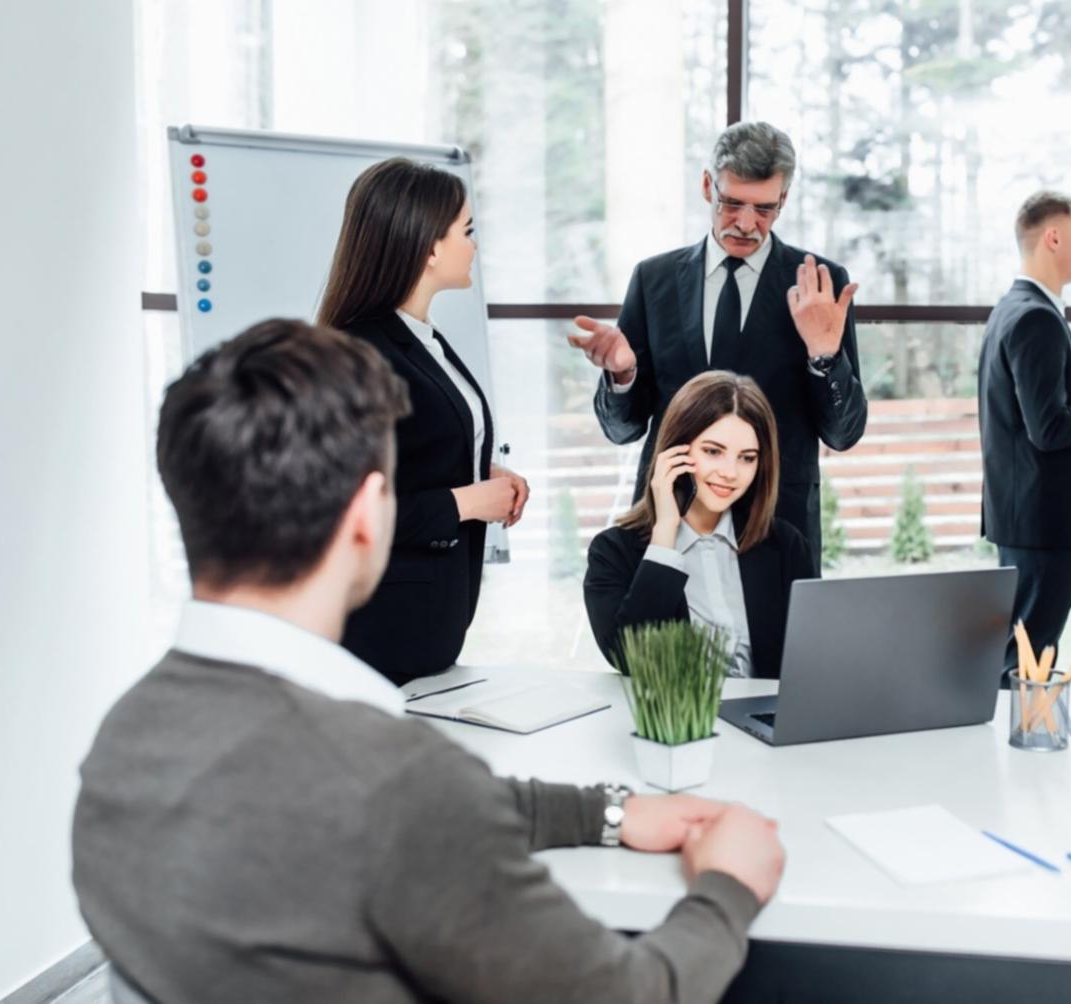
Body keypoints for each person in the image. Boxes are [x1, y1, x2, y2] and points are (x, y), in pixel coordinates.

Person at [72, 319, 786, 1003]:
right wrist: (727, 887)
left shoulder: (124, 736)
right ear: (367, 515)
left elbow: (400, 806)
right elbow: (635, 993)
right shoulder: (395, 778)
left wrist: (610, 812)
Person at [567, 121, 866, 572]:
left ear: (784, 200)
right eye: (732, 203)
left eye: (765, 209)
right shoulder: (654, 280)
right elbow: (622, 430)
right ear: (708, 185)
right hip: (670, 523)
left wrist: (824, 356)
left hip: (776, 528)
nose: (747, 224)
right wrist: (623, 377)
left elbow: (843, 435)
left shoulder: (821, 284)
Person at [317, 157, 528, 686]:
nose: (475, 245)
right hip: (381, 634)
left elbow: (418, 454)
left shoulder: (421, 338)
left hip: (430, 626)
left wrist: (484, 472)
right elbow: (342, 513)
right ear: (430, 246)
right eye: (467, 231)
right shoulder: (359, 352)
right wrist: (469, 502)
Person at [977, 191, 1071, 674]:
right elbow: (1049, 428)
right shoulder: (1037, 318)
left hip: (1027, 519)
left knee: (1021, 653)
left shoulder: (1011, 309)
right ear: (1054, 237)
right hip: (1044, 524)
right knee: (1027, 662)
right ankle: (1019, 747)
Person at [584, 371, 814, 678]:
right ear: (677, 450)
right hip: (674, 724)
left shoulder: (785, 544)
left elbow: (813, 655)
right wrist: (665, 531)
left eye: (747, 457)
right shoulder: (612, 551)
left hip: (765, 720)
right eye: (713, 451)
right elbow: (629, 658)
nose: (730, 472)